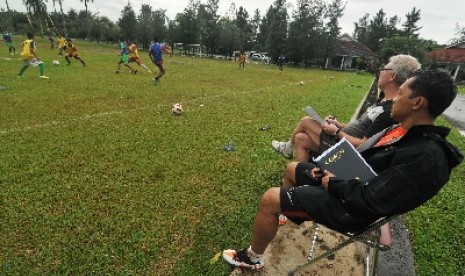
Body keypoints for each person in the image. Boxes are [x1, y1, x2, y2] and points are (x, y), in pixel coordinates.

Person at [223, 70, 463, 270]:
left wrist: (332, 183)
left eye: (401, 94)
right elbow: (369, 167)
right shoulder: (405, 133)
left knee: (269, 198)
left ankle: (252, 258)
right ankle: (290, 214)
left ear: (417, 102)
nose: (395, 99)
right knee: (292, 168)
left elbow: (372, 201)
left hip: (353, 209)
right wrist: (329, 169)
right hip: (349, 188)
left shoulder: (426, 158)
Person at [272, 54, 421, 162]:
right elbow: (361, 127)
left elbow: (365, 145)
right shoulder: (382, 101)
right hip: (340, 141)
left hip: (345, 151)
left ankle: (288, 148)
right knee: (301, 138)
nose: (380, 71)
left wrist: (336, 132)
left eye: (384, 68)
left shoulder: (389, 111)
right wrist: (339, 125)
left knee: (306, 121)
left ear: (392, 76)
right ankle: (304, 179)